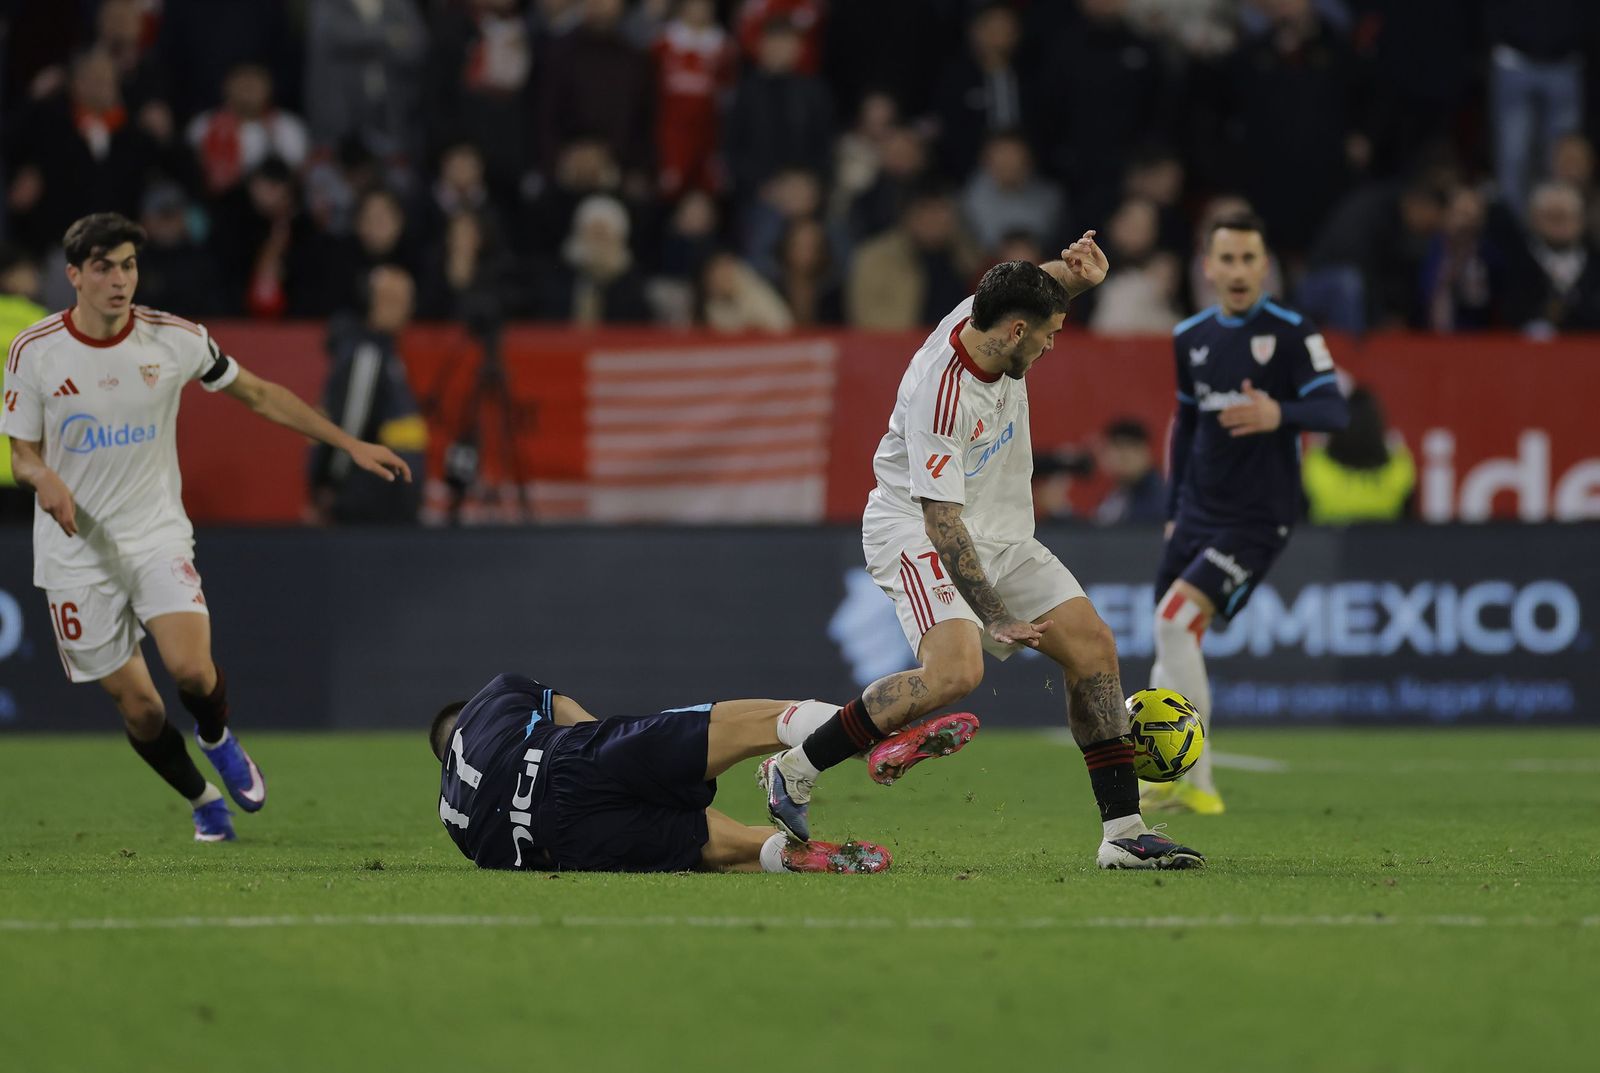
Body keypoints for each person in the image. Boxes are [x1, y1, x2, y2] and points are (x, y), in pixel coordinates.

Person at [760, 234, 1207, 871]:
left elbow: (1036, 287)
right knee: (955, 672)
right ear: (1016, 331)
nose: (1052, 345)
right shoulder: (941, 395)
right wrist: (995, 616)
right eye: (1049, 335)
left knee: (1093, 646)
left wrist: (1079, 277)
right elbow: (942, 522)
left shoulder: (991, 314)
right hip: (916, 531)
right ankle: (795, 767)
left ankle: (1123, 833)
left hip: (1002, 532)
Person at [0, 212, 413, 843]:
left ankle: (217, 736)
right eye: (104, 268)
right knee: (141, 708)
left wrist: (348, 443)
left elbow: (260, 394)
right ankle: (202, 799)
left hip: (155, 533)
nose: (120, 280)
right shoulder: (35, 350)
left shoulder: (174, 340)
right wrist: (43, 479)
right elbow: (22, 454)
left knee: (192, 670)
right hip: (75, 553)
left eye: (129, 266)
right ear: (74, 275)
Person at [1145, 212, 1349, 816]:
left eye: (1248, 259)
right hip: (1197, 512)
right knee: (1169, 636)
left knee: (1175, 620)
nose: (1237, 271)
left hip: (1258, 516)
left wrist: (1280, 414)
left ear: (1265, 267)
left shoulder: (1291, 332)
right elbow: (1188, 425)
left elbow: (1335, 411)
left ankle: (1198, 781)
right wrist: (1174, 508)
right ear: (1207, 268)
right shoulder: (1190, 336)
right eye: (1227, 259)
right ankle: (1174, 779)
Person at [432, 676, 903, 874]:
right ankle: (871, 737)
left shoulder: (450, 813)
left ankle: (777, 853)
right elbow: (571, 716)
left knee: (709, 846)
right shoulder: (493, 698)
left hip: (570, 845)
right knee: (749, 725)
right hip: (571, 761)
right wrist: (629, 758)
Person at [1302, 387, 1414, 524]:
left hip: (1328, 538)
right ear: (1378, 425)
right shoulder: (1399, 467)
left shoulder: (1315, 466)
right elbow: (1408, 521)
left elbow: (1301, 519)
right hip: (1384, 538)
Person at [1094, 418, 1166, 525]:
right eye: (1118, 448)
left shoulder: (1157, 496)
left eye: (1132, 449)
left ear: (1146, 453)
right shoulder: (1118, 493)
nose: (1124, 457)